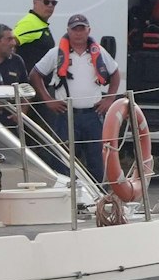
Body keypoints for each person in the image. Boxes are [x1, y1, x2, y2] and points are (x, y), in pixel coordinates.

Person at [29, 13, 122, 180]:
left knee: (97, 160)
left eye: (82, 29)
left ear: (88, 30)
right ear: (68, 31)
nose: (78, 33)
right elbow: (35, 74)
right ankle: (66, 195)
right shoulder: (56, 53)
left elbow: (115, 74)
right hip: (65, 115)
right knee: (62, 160)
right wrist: (47, 100)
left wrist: (109, 99)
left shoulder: (99, 52)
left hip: (93, 115)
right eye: (75, 29)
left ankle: (99, 196)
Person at [14, 0, 59, 65]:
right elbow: (7, 43)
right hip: (28, 76)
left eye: (54, 3)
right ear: (35, 2)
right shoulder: (30, 22)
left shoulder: (41, 24)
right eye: (46, 2)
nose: (50, 5)